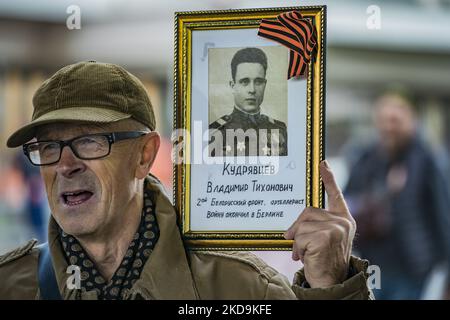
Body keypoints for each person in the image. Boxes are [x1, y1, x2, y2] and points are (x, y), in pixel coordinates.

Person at [0, 61, 371, 300]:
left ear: (144, 156)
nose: (65, 164)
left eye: (88, 141)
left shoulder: (240, 289)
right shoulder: (12, 284)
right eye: (48, 146)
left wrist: (331, 286)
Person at [344, 90, 450, 300]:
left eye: (396, 121)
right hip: (373, 263)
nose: (389, 127)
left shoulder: (426, 159)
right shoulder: (366, 158)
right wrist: (385, 191)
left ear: (411, 121)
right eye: (384, 120)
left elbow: (442, 214)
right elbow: (347, 204)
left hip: (413, 266)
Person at [209, 47, 287, 157]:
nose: (252, 90)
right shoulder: (215, 132)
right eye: (244, 82)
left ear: (265, 84)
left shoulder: (280, 130)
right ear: (233, 86)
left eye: (258, 82)